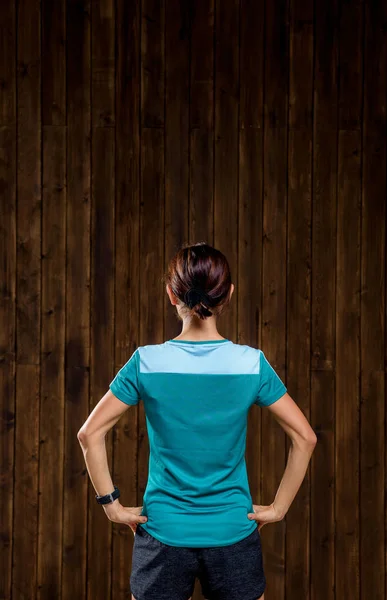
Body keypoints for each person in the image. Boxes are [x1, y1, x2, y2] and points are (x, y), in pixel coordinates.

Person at [77, 242, 317, 600]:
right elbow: (305, 437)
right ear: (228, 295)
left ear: (172, 295)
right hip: (234, 534)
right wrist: (279, 507)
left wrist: (111, 505)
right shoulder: (250, 364)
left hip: (161, 535)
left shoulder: (146, 362)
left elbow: (89, 433)